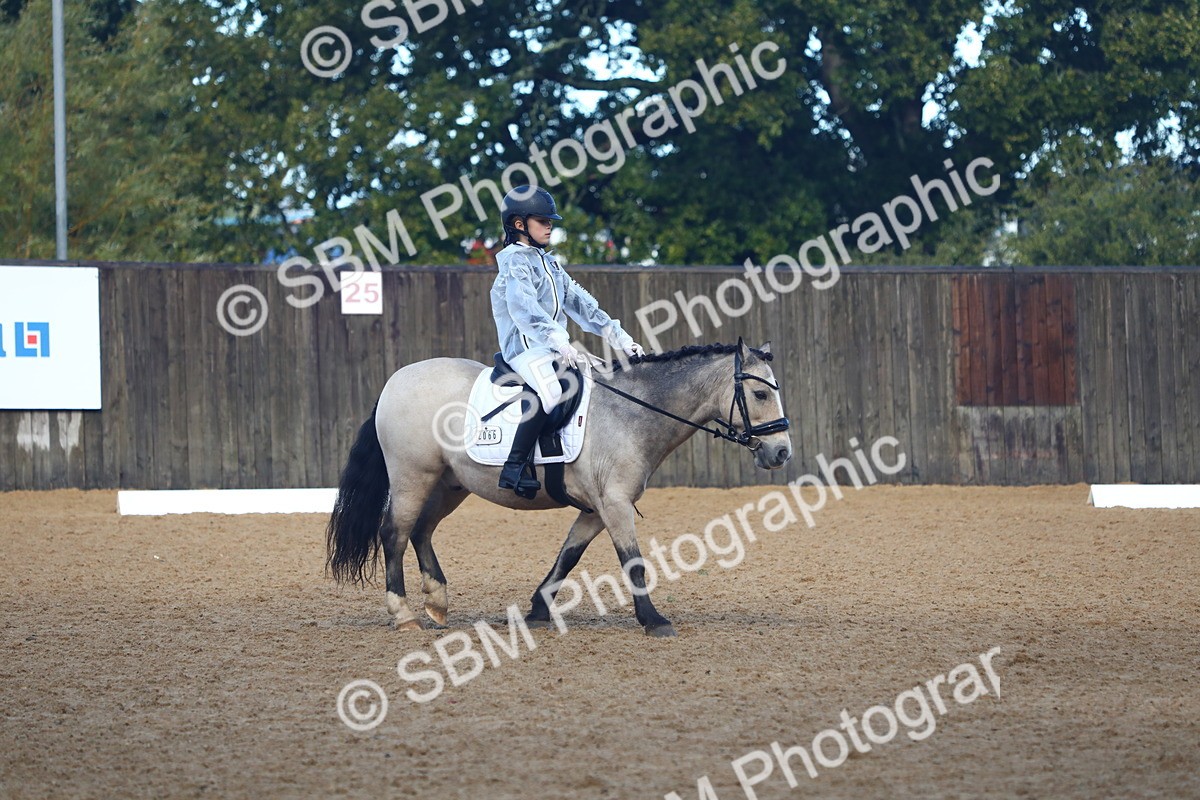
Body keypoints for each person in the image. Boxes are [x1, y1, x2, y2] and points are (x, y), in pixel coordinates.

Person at [491, 184, 645, 498]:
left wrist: (621, 338)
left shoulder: (550, 264)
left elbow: (583, 305)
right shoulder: (513, 262)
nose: (550, 226)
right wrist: (560, 341)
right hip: (524, 349)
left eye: (550, 221)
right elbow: (525, 309)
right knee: (549, 392)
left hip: (552, 348)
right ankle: (514, 466)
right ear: (519, 224)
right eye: (542, 221)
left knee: (597, 382)